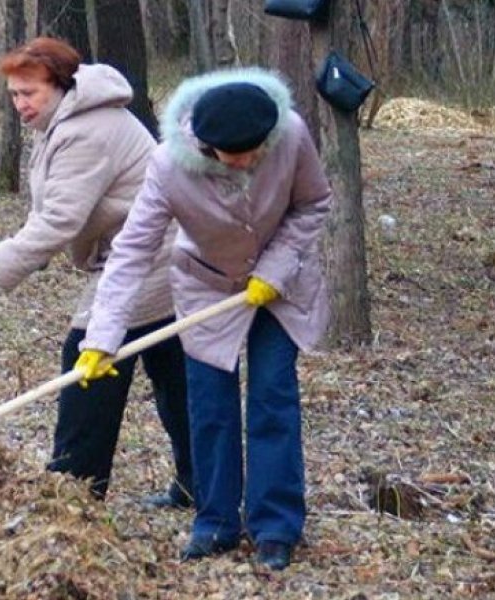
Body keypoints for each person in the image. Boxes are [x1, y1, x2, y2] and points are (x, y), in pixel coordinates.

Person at [78, 67, 332, 570]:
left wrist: (275, 268)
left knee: (272, 396)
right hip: (206, 286)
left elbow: (313, 203)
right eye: (236, 155)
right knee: (210, 404)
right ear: (206, 146)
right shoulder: (170, 164)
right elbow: (131, 251)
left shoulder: (291, 134)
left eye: (257, 150)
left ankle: (276, 525)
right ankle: (215, 520)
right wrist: (101, 337)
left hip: (280, 287)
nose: (250, 160)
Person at [0, 37, 194, 509]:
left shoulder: (87, 131)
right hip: (140, 255)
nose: (19, 104)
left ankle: (73, 488)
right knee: (174, 372)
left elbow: (60, 220)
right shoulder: (64, 120)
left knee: (88, 360)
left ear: (60, 86)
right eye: (14, 95)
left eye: (29, 94)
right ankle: (198, 483)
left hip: (148, 258)